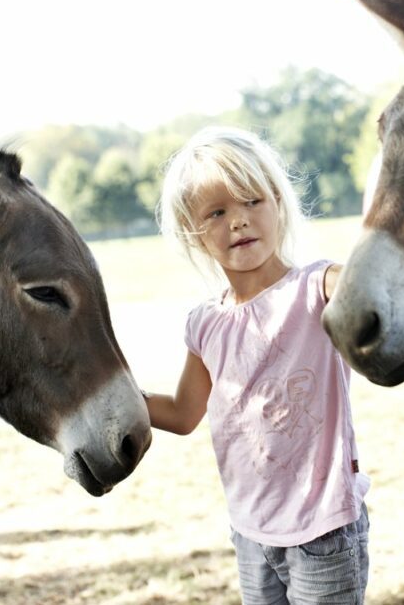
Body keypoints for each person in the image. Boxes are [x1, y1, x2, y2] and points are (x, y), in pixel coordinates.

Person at [145, 126, 370, 604]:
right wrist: (120, 401)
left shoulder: (316, 287)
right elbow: (185, 414)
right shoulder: (205, 324)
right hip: (252, 533)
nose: (240, 221)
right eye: (218, 212)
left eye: (252, 202)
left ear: (278, 205)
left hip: (324, 530)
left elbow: (364, 288)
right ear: (194, 232)